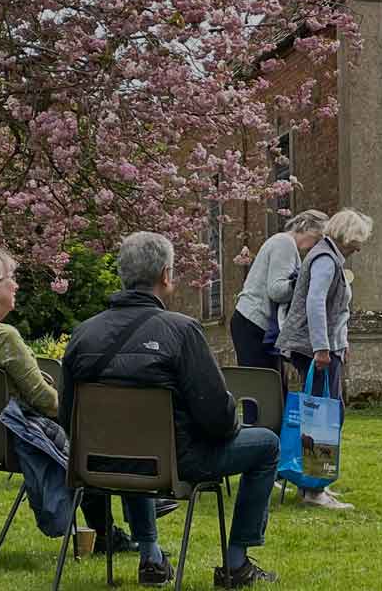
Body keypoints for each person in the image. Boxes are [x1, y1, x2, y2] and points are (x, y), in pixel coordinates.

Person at [63, 232, 281, 588]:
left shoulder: (83, 334)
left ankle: (150, 556)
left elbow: (67, 412)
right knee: (267, 444)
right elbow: (217, 416)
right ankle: (236, 563)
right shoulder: (181, 331)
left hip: (98, 464)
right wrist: (228, 426)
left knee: (131, 440)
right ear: (166, 275)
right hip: (174, 463)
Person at [0, 244, 143, 558]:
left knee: (79, 438)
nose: (16, 285)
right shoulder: (3, 337)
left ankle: (109, 530)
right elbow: (44, 400)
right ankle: (112, 530)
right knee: (88, 437)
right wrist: (83, 409)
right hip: (14, 440)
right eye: (11, 279)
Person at [274, 208, 373, 512]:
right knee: (323, 417)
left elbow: (331, 310)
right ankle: (314, 490)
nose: (360, 247)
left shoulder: (326, 256)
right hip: (317, 351)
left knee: (327, 413)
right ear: (349, 236)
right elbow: (315, 302)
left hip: (326, 348)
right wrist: (322, 348)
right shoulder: (326, 260)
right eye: (359, 240)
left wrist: (339, 344)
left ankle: (317, 483)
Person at [231, 210, 327, 370]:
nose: (315, 245)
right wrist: (303, 282)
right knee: (264, 385)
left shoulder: (282, 242)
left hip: (250, 320)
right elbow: (276, 291)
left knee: (269, 384)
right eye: (317, 239)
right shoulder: (285, 243)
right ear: (307, 228)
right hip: (255, 322)